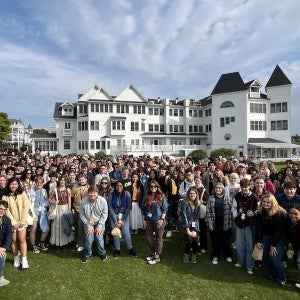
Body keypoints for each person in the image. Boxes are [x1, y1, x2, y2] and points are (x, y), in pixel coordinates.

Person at [255, 194, 287, 287]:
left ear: (273, 203)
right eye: (264, 202)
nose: (265, 204)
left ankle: (281, 278)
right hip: (266, 236)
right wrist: (259, 241)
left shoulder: (280, 213)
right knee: (266, 256)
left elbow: (279, 230)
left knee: (275, 258)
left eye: (268, 202)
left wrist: (273, 245)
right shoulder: (261, 212)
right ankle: (271, 275)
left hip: (279, 239)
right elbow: (259, 228)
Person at [232, 178, 259, 274]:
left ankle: (249, 266)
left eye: (246, 187)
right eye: (242, 187)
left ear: (250, 187)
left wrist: (253, 213)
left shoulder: (255, 197)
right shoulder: (237, 196)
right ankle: (240, 261)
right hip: (239, 223)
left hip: (250, 225)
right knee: (239, 244)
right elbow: (234, 208)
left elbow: (259, 210)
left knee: (249, 246)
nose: (244, 189)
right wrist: (236, 219)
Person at [2, 178, 30, 269]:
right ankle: (16, 257)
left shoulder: (22, 193)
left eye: (15, 184)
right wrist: (13, 222)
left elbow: (26, 207)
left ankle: (24, 259)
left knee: (22, 239)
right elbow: (6, 210)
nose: (13, 186)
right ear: (8, 185)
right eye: (11, 184)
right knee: (13, 240)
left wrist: (22, 221)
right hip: (11, 222)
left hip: (22, 221)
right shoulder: (5, 196)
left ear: (18, 185)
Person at [107, 181, 137, 259]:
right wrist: (115, 220)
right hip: (113, 215)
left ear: (123, 186)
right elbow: (110, 207)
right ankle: (117, 250)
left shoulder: (127, 194)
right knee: (116, 233)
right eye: (117, 186)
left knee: (126, 232)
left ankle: (130, 248)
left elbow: (128, 208)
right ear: (115, 186)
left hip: (124, 215)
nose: (119, 187)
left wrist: (123, 220)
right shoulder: (111, 194)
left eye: (121, 186)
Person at [79, 185, 108, 263]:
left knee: (99, 238)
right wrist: (88, 225)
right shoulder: (83, 201)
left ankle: (102, 253)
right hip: (88, 222)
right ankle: (87, 253)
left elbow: (105, 214)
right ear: (88, 193)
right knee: (89, 239)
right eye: (90, 192)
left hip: (99, 222)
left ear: (97, 193)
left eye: (94, 192)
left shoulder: (103, 201)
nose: (92, 194)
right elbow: (81, 214)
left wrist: (100, 225)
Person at [206, 182, 233, 265]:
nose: (218, 189)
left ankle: (227, 255)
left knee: (226, 240)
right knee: (215, 241)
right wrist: (210, 223)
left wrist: (231, 221)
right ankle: (215, 255)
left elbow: (231, 211)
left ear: (223, 190)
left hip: (226, 223)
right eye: (216, 188)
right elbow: (208, 211)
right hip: (215, 223)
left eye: (219, 188)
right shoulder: (211, 198)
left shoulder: (228, 198)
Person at [142, 180, 167, 265]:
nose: (153, 188)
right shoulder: (146, 196)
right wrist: (143, 219)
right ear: (149, 187)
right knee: (148, 238)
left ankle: (157, 257)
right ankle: (153, 253)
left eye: (155, 186)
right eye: (151, 186)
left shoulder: (161, 196)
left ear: (157, 187)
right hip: (148, 220)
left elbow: (165, 209)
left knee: (159, 238)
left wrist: (162, 220)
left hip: (159, 220)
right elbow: (143, 209)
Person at [48, 176, 73, 253]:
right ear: (59, 181)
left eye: (63, 180)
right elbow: (49, 198)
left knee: (65, 225)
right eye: (61, 180)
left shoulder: (68, 189)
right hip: (58, 209)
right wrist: (54, 202)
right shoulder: (55, 190)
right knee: (57, 226)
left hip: (65, 209)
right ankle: (58, 245)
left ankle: (64, 244)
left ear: (65, 181)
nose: (62, 182)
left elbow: (69, 200)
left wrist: (68, 210)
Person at [180, 187, 200, 263]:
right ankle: (186, 254)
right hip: (186, 225)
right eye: (191, 193)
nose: (192, 195)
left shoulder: (198, 204)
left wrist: (194, 230)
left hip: (194, 226)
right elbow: (184, 216)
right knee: (190, 241)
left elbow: (197, 218)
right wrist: (188, 229)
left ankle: (194, 254)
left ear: (196, 194)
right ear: (188, 194)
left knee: (195, 240)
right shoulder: (184, 203)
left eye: (194, 193)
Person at [30, 176, 50, 253]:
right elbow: (28, 202)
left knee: (46, 229)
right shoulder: (31, 191)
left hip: (42, 211)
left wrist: (46, 205)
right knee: (33, 229)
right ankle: (33, 246)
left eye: (41, 182)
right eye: (37, 182)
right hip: (33, 210)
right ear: (35, 183)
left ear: (42, 183)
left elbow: (47, 201)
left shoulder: (44, 191)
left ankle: (41, 243)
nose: (39, 184)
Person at [72, 174, 89, 252]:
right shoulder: (75, 187)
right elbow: (72, 198)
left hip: (86, 210)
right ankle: (79, 242)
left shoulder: (89, 187)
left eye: (83, 179)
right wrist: (72, 208)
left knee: (84, 227)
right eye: (80, 180)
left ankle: (84, 243)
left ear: (86, 180)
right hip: (77, 209)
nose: (81, 181)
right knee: (78, 227)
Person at [0, 200, 13, 286]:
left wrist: (3, 248)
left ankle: (0, 277)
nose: (2, 211)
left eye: (5, 209)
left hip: (1, 247)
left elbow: (9, 235)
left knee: (2, 255)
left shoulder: (7, 220)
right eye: (0, 209)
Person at [288, 204, 300, 289]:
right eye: (291, 213)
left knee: (299, 261)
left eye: (296, 214)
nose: (293, 215)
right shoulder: (291, 222)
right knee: (297, 260)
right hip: (296, 245)